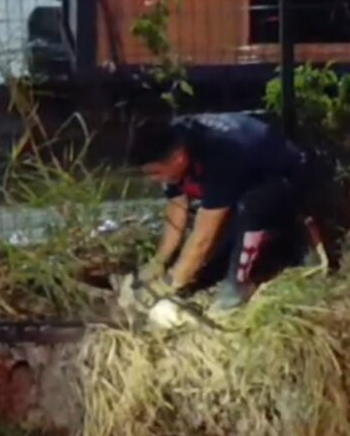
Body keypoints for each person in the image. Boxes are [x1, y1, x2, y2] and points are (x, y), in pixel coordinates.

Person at [136, 112, 328, 311]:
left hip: (290, 179)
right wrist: (159, 261)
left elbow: (203, 237)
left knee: (252, 206)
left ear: (178, 158)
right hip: (245, 178)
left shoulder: (219, 153)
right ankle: (266, 238)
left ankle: (239, 286)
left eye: (155, 173)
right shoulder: (172, 143)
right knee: (211, 259)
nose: (153, 180)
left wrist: (171, 283)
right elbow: (177, 207)